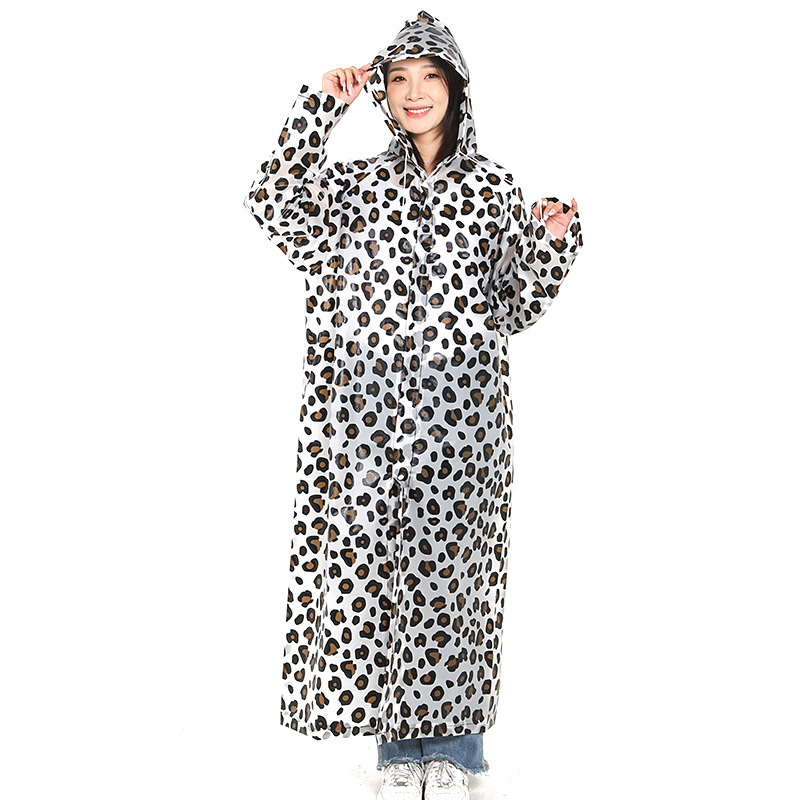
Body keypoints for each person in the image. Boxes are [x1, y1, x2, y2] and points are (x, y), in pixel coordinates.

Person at [243, 10, 583, 800]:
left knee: (455, 581)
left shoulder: (493, 185)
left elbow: (514, 305)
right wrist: (320, 108)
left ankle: (456, 753)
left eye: (430, 76)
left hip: (464, 418)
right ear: (383, 94)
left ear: (455, 88)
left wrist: (549, 243)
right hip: (368, 418)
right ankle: (399, 752)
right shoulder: (357, 186)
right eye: (398, 79)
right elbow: (273, 202)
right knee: (380, 577)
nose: (415, 91)